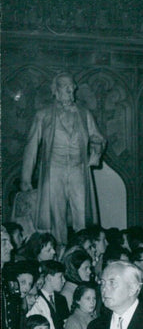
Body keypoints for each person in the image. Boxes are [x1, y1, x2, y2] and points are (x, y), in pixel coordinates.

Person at [20, 73, 105, 245]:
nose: (69, 89)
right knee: (55, 216)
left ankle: (83, 251)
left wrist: (95, 153)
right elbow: (31, 147)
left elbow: (98, 138)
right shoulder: (43, 115)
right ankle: (58, 251)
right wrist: (25, 178)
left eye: (71, 86)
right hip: (54, 170)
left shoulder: (84, 113)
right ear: (55, 90)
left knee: (82, 213)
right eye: (64, 86)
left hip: (77, 169)